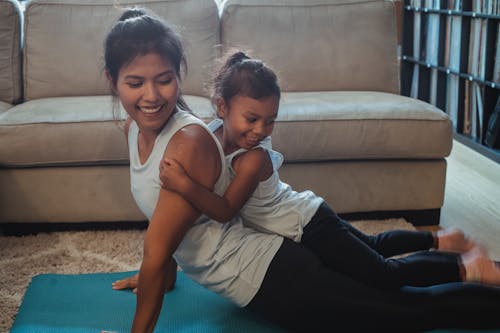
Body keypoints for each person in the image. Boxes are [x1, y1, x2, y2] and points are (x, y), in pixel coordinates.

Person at [105, 8, 500, 333]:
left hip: (271, 267)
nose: (151, 95)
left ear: (178, 76)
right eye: (135, 82)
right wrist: (160, 276)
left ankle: (472, 273)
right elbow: (166, 224)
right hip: (280, 249)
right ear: (114, 82)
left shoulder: (196, 146)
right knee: (383, 278)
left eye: (163, 80)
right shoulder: (144, 127)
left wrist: (155, 279)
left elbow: (193, 225)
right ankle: (458, 262)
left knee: (402, 309)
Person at [158, 50, 500, 290]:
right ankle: (440, 240)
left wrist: (184, 184)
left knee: (382, 274)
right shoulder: (211, 132)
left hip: (308, 226)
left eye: (270, 120)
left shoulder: (253, 159)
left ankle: (467, 268)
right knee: (373, 244)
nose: (261, 130)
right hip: (308, 213)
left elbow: (225, 210)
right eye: (252, 119)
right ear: (221, 107)